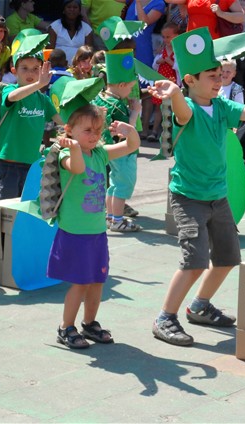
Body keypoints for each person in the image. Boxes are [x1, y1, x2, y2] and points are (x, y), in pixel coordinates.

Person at [148, 27, 245, 346]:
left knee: (227, 257)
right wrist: (174, 92)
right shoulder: (187, 108)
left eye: (219, 73)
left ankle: (199, 306)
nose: (218, 78)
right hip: (188, 198)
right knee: (193, 260)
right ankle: (165, 317)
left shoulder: (221, 106)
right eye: (211, 75)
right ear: (190, 80)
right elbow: (181, 112)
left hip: (217, 197)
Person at [49, 77, 141, 348]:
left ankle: (89, 324)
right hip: (75, 233)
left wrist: (129, 129)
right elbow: (76, 169)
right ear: (69, 130)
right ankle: (66, 327)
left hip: (97, 232)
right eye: (88, 130)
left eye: (97, 130)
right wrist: (75, 147)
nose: (94, 135)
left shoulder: (99, 153)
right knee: (79, 284)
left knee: (97, 281)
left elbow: (130, 146)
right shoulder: (63, 153)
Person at [0, 33, 62, 200]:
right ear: (14, 71)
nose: (30, 72)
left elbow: (63, 122)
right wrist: (40, 84)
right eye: (24, 68)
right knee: (6, 209)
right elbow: (14, 98)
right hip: (9, 164)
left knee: (26, 209)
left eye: (35, 69)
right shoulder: (9, 90)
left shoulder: (43, 99)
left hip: (32, 165)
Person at [93, 49, 142, 232]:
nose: (131, 91)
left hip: (109, 149)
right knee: (123, 186)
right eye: (130, 87)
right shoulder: (119, 105)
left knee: (113, 184)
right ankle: (118, 221)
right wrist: (135, 112)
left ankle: (110, 217)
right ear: (121, 84)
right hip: (124, 150)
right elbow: (125, 132)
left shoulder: (101, 98)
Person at [149, 22, 180, 142]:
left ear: (176, 36)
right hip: (161, 80)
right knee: (159, 107)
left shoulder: (178, 50)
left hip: (173, 83)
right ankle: (155, 131)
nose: (165, 39)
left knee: (173, 108)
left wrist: (170, 62)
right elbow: (154, 64)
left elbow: (180, 67)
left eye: (168, 37)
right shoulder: (162, 49)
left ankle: (171, 134)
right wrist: (158, 61)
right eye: (164, 37)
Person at [165, 0, 245, 39]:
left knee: (212, 72)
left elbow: (241, 17)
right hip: (193, 43)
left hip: (214, 45)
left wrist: (221, 14)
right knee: (194, 71)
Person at [48, 0, 93, 65]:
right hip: (58, 67)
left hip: (79, 67)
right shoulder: (55, 26)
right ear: (64, 10)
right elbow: (49, 50)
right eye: (69, 7)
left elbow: (89, 52)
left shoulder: (87, 28)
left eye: (75, 7)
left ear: (79, 11)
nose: (72, 9)